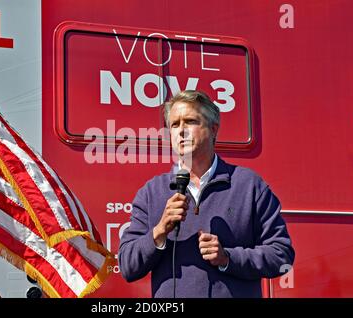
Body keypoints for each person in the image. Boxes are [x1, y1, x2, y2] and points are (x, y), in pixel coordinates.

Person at [118, 90, 295, 298]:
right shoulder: (151, 192)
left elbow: (282, 256)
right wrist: (159, 232)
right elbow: (127, 266)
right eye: (174, 124)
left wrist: (228, 258)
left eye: (190, 121)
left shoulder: (249, 186)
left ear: (213, 129)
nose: (181, 131)